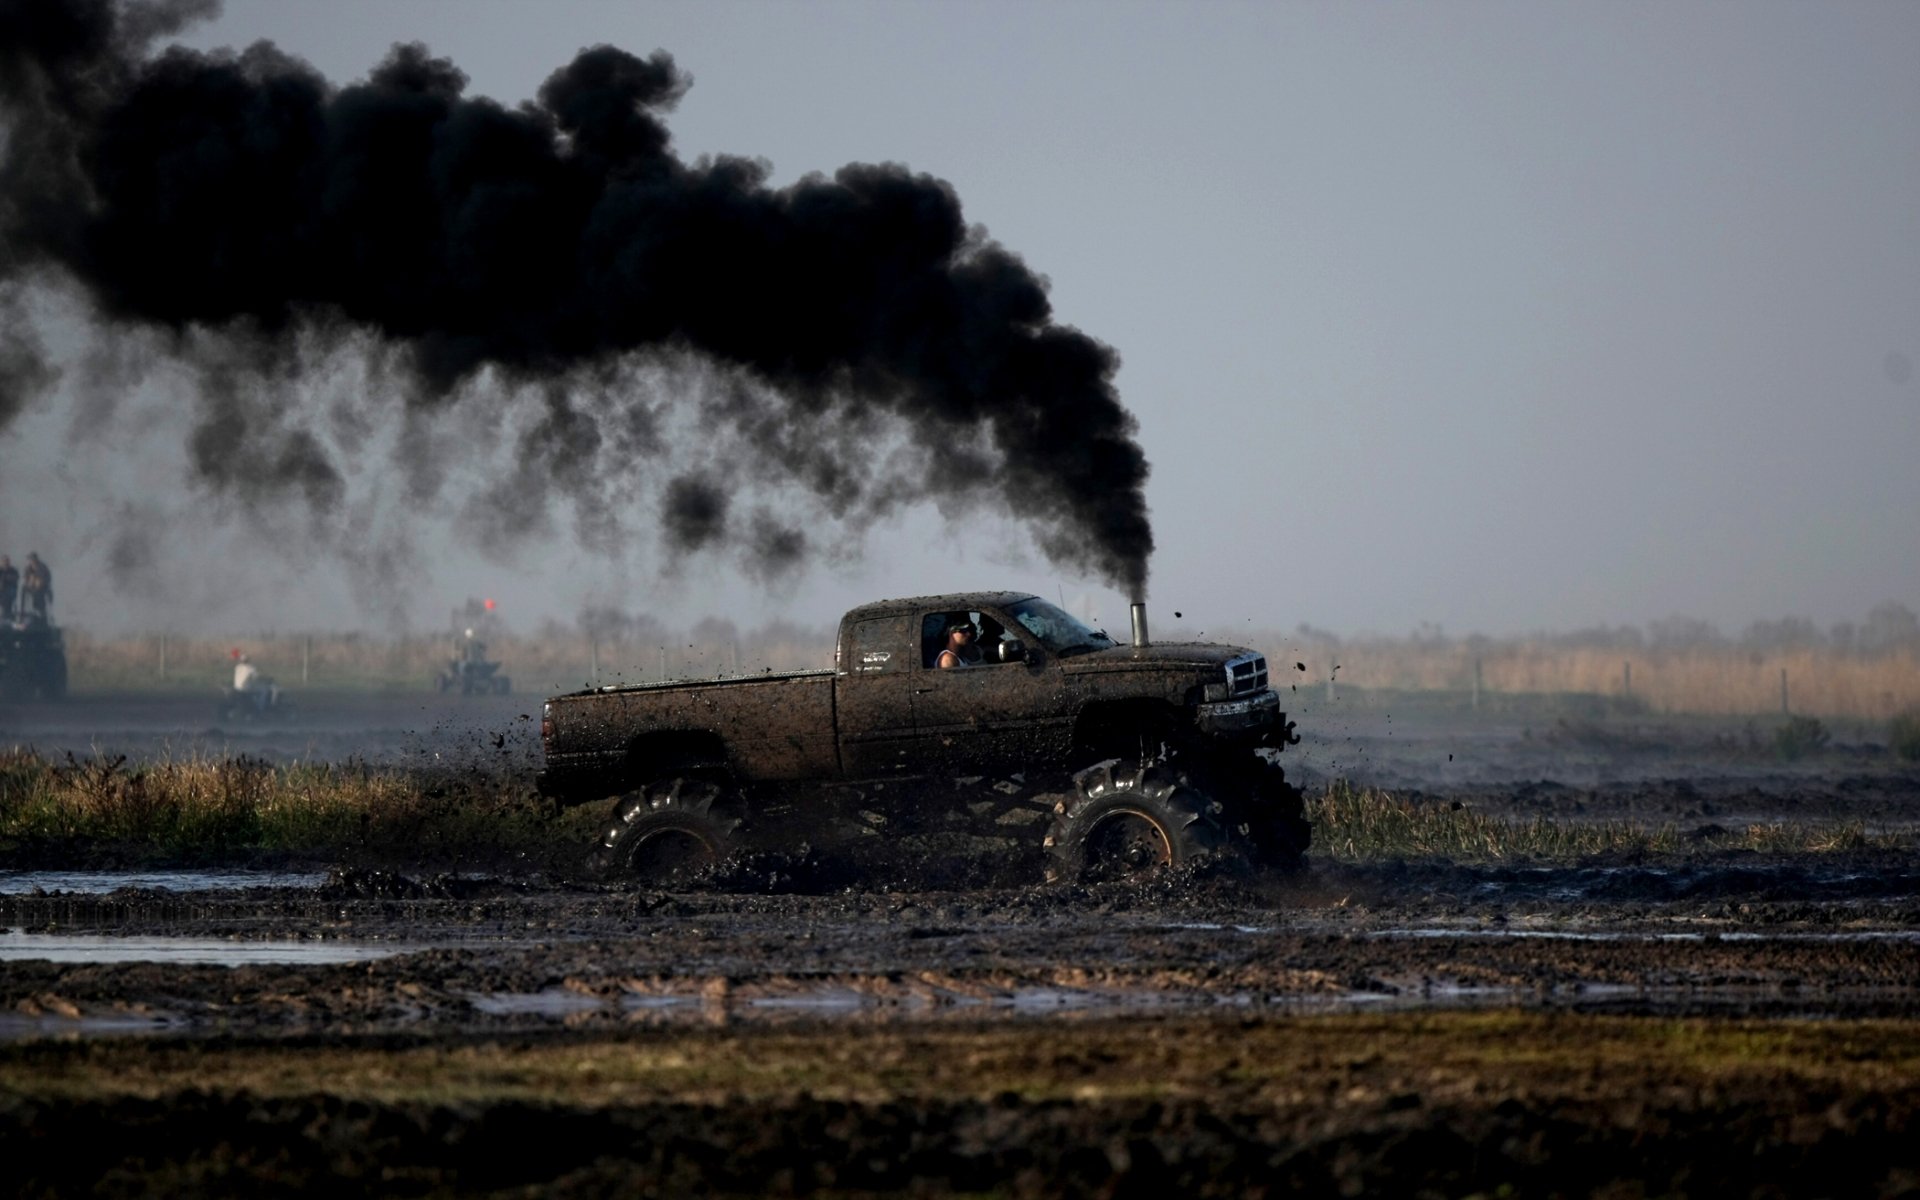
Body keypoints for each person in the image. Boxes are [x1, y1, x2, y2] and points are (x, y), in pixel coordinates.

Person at [19, 552, 50, 621]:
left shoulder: (43, 567)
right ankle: (22, 612)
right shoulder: (28, 568)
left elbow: (46, 579)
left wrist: (39, 581)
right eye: (30, 559)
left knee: (38, 594)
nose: (31, 561)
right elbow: (25, 578)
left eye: (32, 559)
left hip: (42, 588)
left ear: (36, 559)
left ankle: (41, 615)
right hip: (31, 586)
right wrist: (29, 582)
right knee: (23, 589)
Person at [0, 556, 16, 622]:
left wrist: (7, 578)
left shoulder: (13, 571)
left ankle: (7, 617)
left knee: (7, 601)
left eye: (7, 561)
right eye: (4, 561)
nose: (5, 563)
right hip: (1, 591)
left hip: (9, 592)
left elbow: (15, 579)